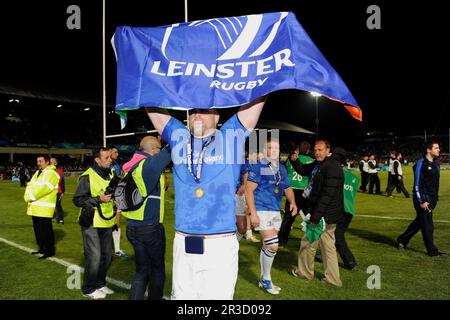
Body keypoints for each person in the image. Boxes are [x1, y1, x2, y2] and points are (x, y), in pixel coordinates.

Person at [146, 96, 265, 300]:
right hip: (184, 241)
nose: (196, 114)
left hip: (219, 243)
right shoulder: (179, 136)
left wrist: (265, 77)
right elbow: (152, 106)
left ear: (217, 117)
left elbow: (254, 105)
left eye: (204, 110)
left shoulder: (230, 136)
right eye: (193, 111)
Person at [121, 136, 171, 300]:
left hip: (132, 226)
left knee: (142, 270)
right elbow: (170, 150)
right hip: (149, 226)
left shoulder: (131, 165)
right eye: (157, 149)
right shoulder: (147, 165)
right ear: (153, 150)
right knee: (157, 269)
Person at [246, 138, 297, 294]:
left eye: (276, 147)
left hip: (275, 210)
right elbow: (249, 190)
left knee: (268, 246)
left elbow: (287, 187)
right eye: (270, 147)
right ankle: (266, 279)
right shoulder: (258, 166)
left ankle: (263, 279)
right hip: (261, 209)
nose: (273, 150)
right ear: (265, 150)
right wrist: (253, 213)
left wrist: (293, 202)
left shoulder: (281, 168)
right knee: (273, 244)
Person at [291, 140, 344, 287]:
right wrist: (294, 161)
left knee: (308, 243)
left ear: (328, 150)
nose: (317, 152)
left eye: (320, 150)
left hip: (323, 215)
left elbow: (327, 195)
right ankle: (333, 279)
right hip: (325, 214)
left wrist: (315, 217)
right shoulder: (318, 164)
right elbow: (303, 170)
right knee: (328, 247)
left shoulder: (332, 167)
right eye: (315, 150)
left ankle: (304, 272)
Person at [72, 147, 117, 299]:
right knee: (95, 256)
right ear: (97, 160)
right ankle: (88, 288)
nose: (110, 160)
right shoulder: (87, 176)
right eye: (106, 158)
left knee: (107, 256)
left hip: (107, 220)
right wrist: (98, 199)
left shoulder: (111, 173)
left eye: (110, 157)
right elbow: (77, 200)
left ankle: (100, 283)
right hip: (91, 221)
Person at [397, 141, 446, 257]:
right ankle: (432, 251)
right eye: (436, 148)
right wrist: (422, 201)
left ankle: (402, 239)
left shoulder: (436, 164)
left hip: (432, 199)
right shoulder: (421, 163)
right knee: (428, 225)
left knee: (419, 222)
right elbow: (417, 184)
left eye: (438, 148)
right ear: (429, 150)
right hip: (423, 199)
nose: (439, 150)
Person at [278, 141, 313, 248]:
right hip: (305, 191)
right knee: (310, 218)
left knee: (288, 218)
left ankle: (281, 242)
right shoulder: (312, 161)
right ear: (307, 150)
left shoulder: (290, 159)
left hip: (291, 190)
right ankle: (311, 242)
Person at [24, 154, 59, 259]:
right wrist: (29, 195)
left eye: (40, 161)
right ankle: (41, 248)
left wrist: (30, 196)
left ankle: (49, 251)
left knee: (46, 231)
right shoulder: (38, 172)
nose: (38, 163)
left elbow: (44, 188)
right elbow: (30, 185)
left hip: (44, 208)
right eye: (37, 161)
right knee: (38, 230)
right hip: (35, 207)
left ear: (47, 162)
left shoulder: (52, 173)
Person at [333, 148, 360, 271]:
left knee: (337, 236)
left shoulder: (334, 173)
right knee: (332, 235)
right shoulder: (354, 178)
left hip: (339, 209)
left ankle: (350, 261)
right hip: (349, 210)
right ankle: (325, 254)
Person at [108, 145, 128, 258]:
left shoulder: (116, 165)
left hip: (116, 196)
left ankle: (116, 248)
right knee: (109, 223)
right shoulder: (106, 166)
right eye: (115, 152)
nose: (117, 154)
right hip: (108, 197)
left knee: (117, 222)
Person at [50, 157, 65, 224]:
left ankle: (60, 219)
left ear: (56, 163)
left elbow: (62, 182)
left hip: (58, 191)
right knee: (50, 205)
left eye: (51, 162)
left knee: (58, 205)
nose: (50, 163)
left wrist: (63, 192)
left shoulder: (59, 170)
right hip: (49, 191)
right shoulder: (48, 170)